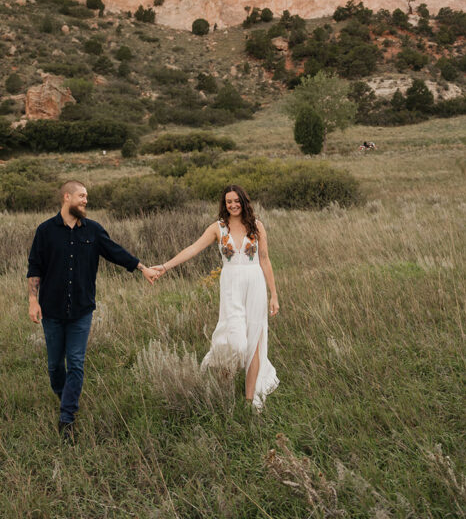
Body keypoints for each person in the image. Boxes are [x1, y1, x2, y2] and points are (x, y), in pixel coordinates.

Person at [27, 180, 159, 441]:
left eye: (87, 196)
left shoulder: (94, 231)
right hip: (51, 310)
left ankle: (67, 418)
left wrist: (143, 268)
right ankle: (65, 395)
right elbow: (35, 267)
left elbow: (116, 252)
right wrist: (33, 300)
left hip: (82, 310)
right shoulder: (45, 231)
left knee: (76, 363)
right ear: (67, 197)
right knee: (55, 366)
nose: (86, 200)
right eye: (81, 196)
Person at [154, 184, 280, 409]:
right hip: (231, 286)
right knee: (236, 343)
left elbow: (265, 259)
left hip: (256, 285)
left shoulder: (257, 225)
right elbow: (193, 248)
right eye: (228, 201)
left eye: (236, 200)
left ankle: (250, 401)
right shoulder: (218, 228)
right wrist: (165, 267)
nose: (233, 205)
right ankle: (223, 383)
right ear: (224, 204)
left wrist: (274, 295)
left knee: (254, 343)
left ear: (244, 201)